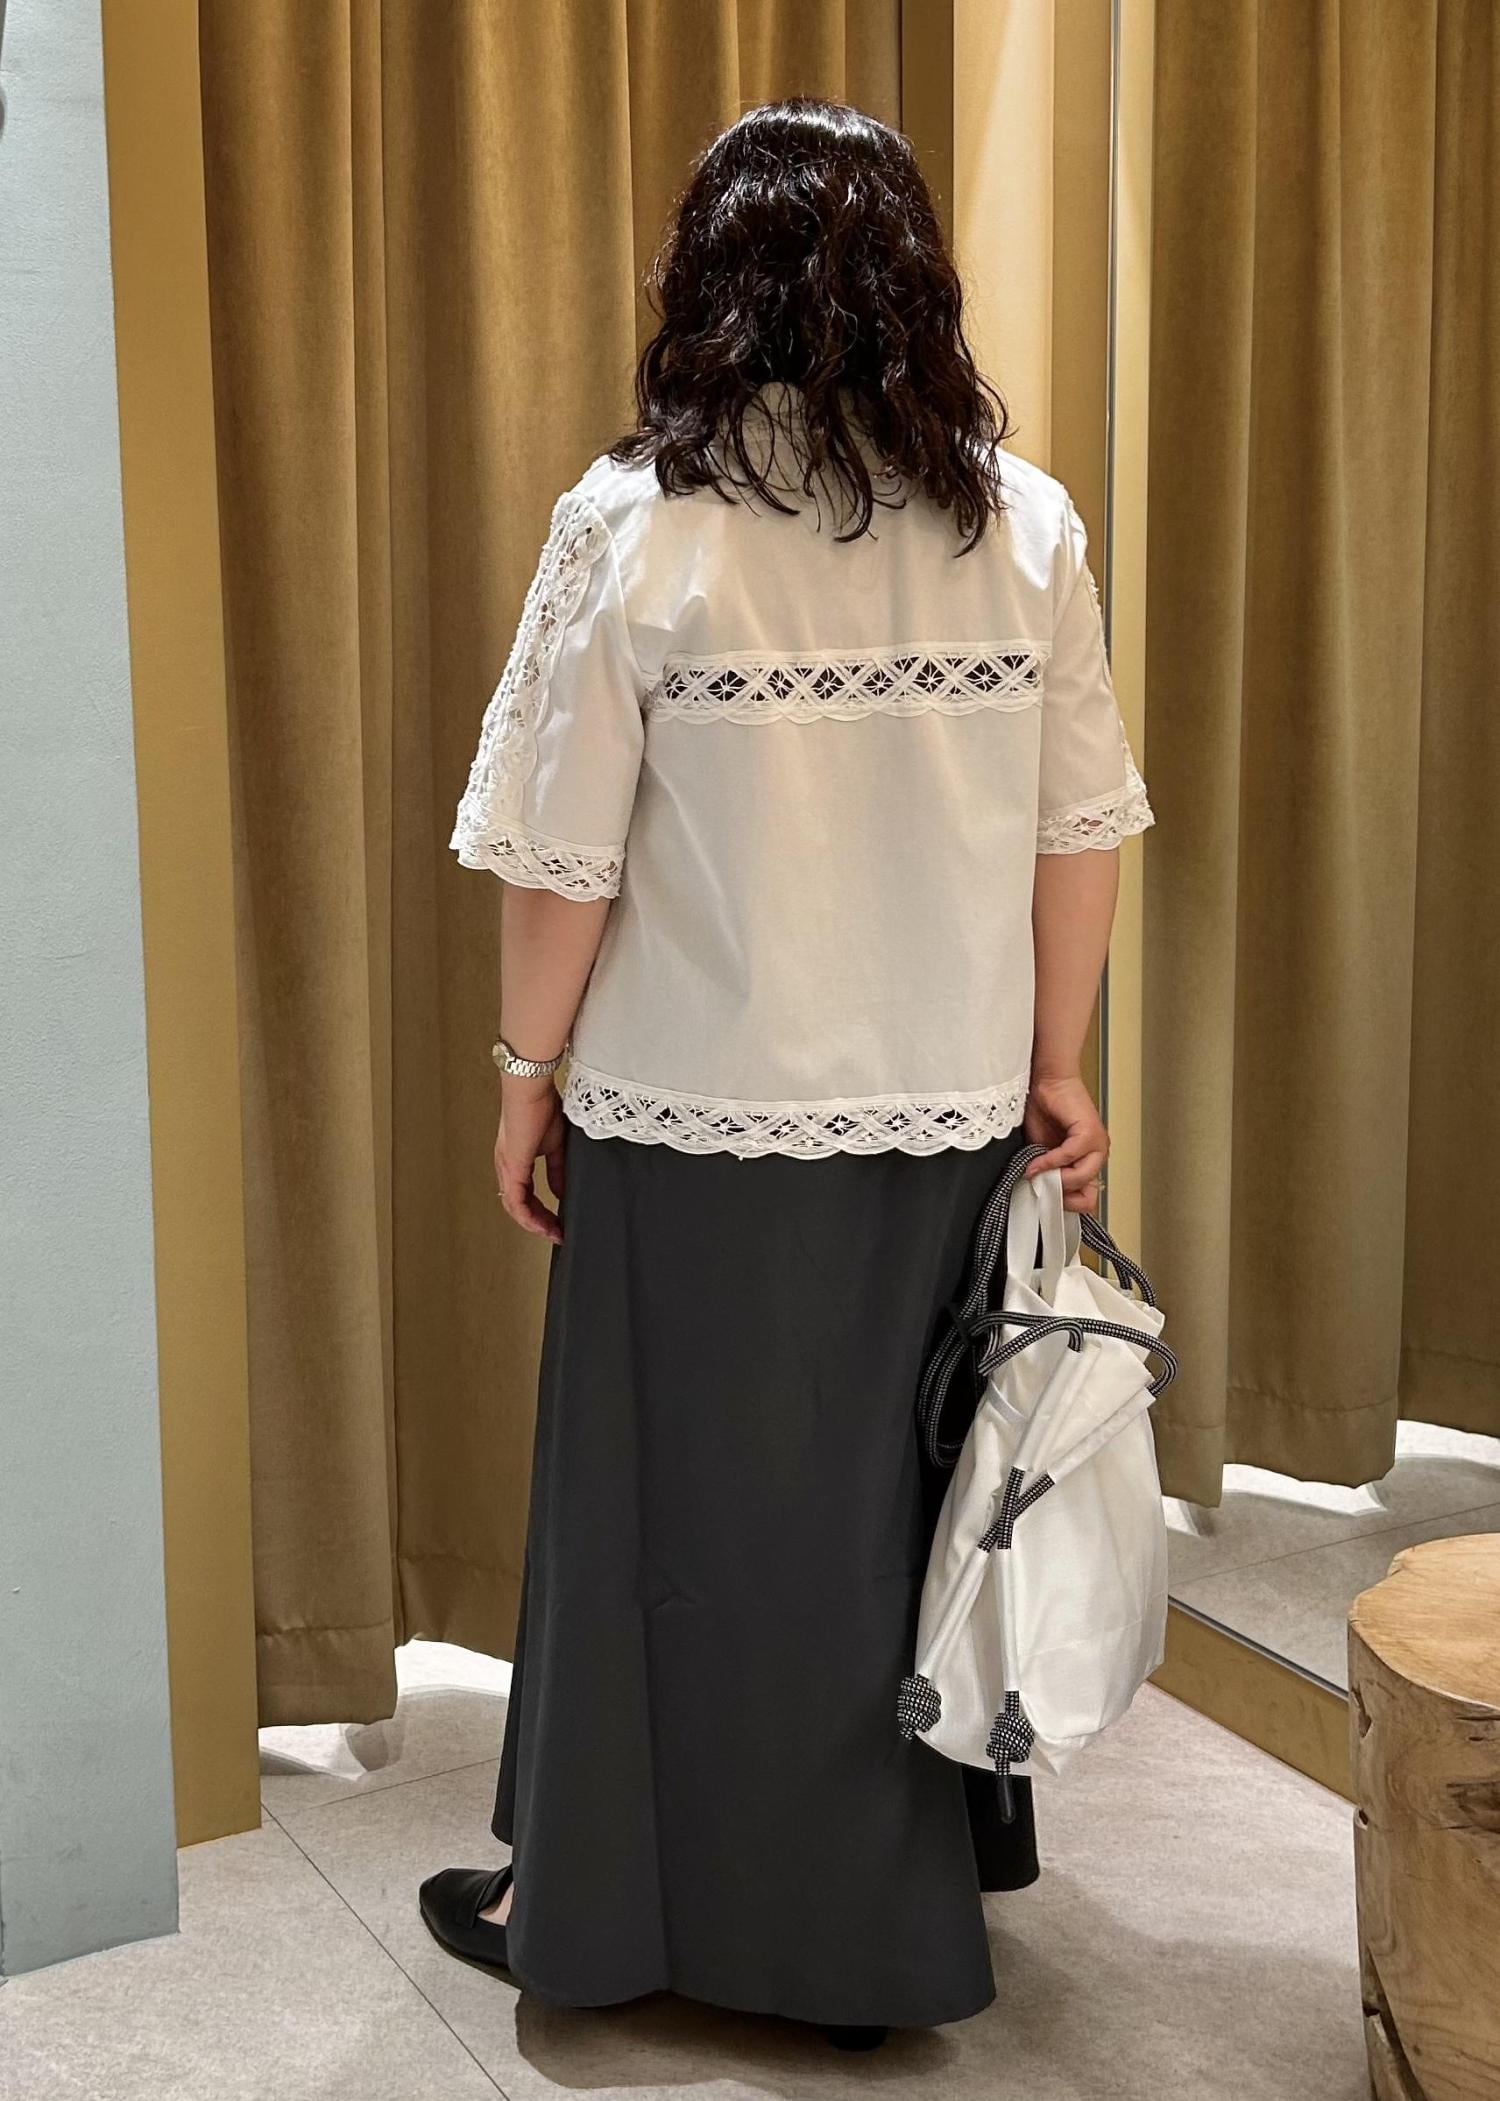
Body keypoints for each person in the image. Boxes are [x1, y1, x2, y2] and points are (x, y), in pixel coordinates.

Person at [419, 97, 1153, 2049]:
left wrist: (524, 1073)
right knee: (891, 1522)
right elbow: (1080, 826)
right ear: (917, 283)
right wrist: (1059, 1060)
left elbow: (559, 857)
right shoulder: (1023, 523)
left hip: (687, 1111)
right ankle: (864, 1934)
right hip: (942, 1111)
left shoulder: (633, 525)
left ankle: (595, 1902)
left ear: (706, 282)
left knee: (658, 1523)